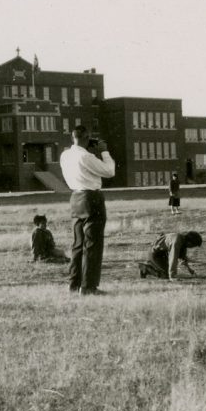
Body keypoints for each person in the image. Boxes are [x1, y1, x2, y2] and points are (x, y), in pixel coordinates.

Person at [59, 126, 115, 295]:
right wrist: (104, 152)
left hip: (75, 198)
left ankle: (74, 283)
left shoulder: (65, 155)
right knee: (92, 244)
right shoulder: (86, 156)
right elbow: (109, 171)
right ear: (87, 137)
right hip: (91, 199)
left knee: (78, 244)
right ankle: (89, 286)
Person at [138, 231, 202, 280]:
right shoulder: (177, 241)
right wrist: (172, 276)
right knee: (165, 276)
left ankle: (151, 266)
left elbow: (183, 258)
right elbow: (173, 258)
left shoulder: (183, 242)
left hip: (163, 255)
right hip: (155, 254)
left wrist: (190, 270)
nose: (191, 247)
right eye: (193, 245)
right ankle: (145, 269)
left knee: (166, 272)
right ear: (189, 242)